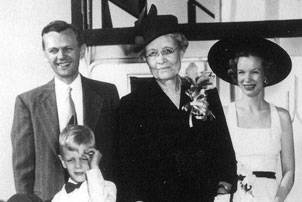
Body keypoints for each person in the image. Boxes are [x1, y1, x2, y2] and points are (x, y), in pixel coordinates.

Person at [116, 5, 237, 202]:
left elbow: (224, 152)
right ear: (145, 59)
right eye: (153, 54)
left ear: (181, 50)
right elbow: (126, 169)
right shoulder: (131, 105)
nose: (161, 60)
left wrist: (223, 189)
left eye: (167, 51)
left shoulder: (205, 92)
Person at [11, 20, 119, 200]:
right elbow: (23, 170)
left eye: (68, 48)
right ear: (45, 54)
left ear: (82, 50)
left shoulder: (107, 94)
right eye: (53, 50)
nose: (61, 56)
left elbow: (116, 155)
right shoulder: (28, 103)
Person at [208, 36, 295, 201]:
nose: (247, 79)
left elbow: (289, 171)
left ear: (265, 74)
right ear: (235, 74)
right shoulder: (224, 114)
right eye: (241, 72)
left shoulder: (281, 116)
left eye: (254, 72)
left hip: (269, 197)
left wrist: (278, 198)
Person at [52, 125, 116, 202]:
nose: (78, 165)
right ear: (63, 162)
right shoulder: (58, 198)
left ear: (93, 157)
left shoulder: (107, 187)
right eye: (71, 160)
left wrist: (94, 167)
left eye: (83, 159)